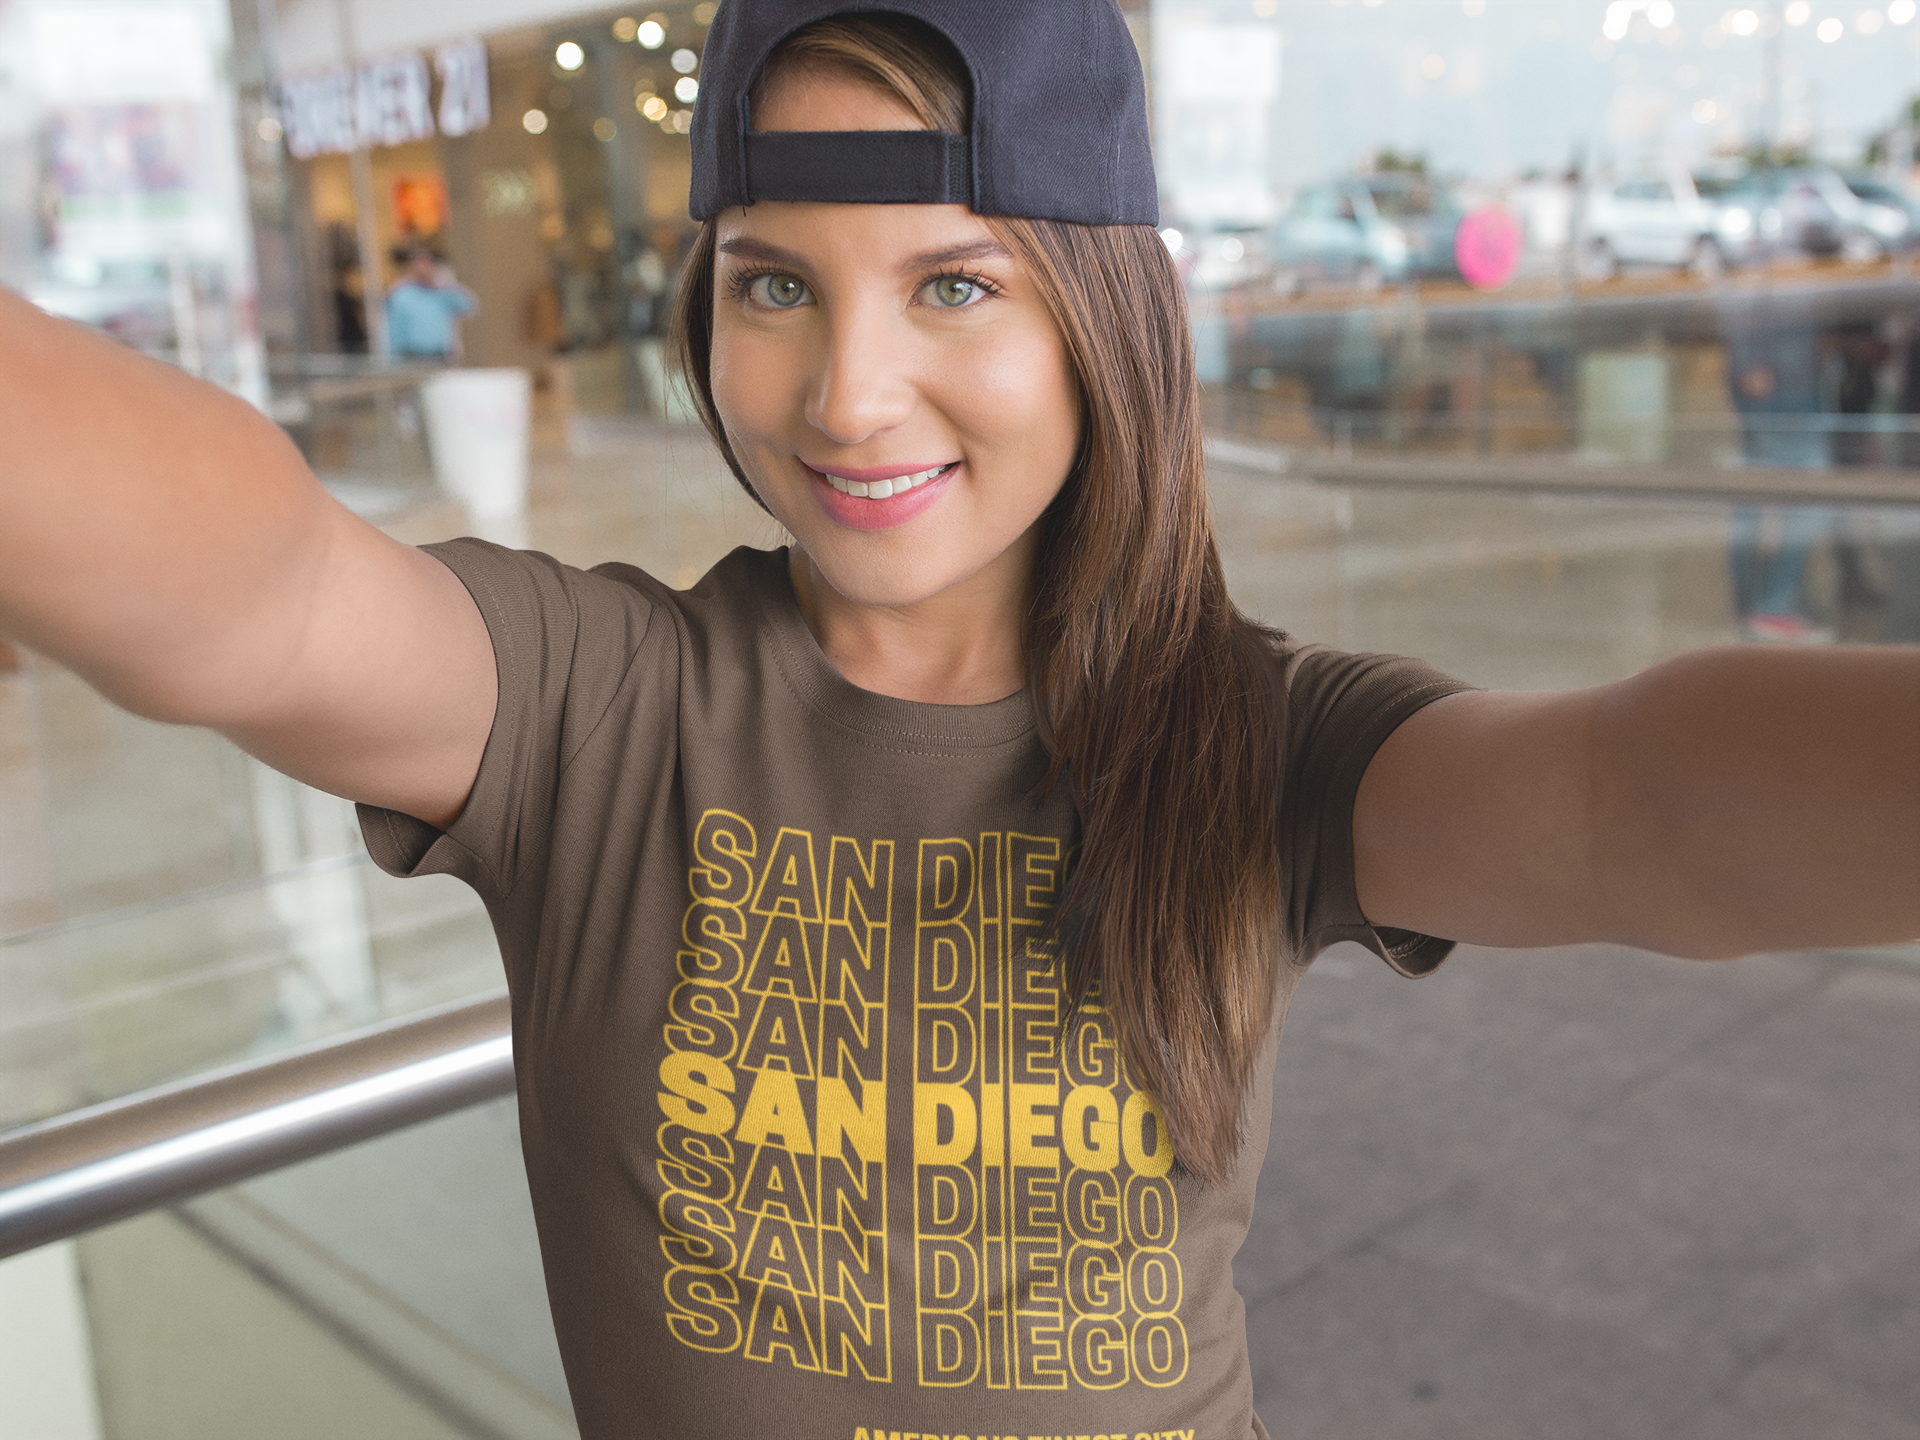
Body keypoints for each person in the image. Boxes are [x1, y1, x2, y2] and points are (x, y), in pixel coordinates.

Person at [0, 5, 1913, 1437]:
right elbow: (268, 589)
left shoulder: (1255, 748)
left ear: (1099, 317)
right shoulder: (604, 713)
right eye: (773, 285)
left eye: (954, 285)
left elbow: (1638, 802)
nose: (848, 392)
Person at [383, 243, 476, 362]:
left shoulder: (443, 291)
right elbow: (392, 330)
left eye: (427, 263)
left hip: (440, 355)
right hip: (412, 356)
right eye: (418, 263)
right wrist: (393, 360)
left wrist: (446, 283)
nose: (422, 268)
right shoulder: (401, 293)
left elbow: (469, 306)